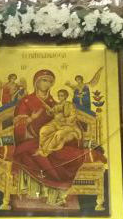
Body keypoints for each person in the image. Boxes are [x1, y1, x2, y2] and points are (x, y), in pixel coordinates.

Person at [12, 70, 105, 203]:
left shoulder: (54, 102)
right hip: (30, 138)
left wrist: (67, 126)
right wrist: (31, 118)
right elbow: (18, 124)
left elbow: (65, 117)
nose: (47, 84)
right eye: (44, 80)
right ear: (36, 82)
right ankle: (39, 192)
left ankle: (56, 195)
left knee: (62, 153)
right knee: (34, 152)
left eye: (50, 81)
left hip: (52, 136)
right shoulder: (26, 101)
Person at [36, 89, 82, 157]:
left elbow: (73, 116)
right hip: (55, 123)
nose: (60, 97)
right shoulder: (57, 105)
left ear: (65, 96)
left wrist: (64, 120)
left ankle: (46, 151)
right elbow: (52, 112)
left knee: (58, 134)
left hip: (68, 125)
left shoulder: (70, 105)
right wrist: (49, 110)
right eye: (59, 96)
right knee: (43, 130)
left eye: (62, 96)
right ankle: (41, 148)